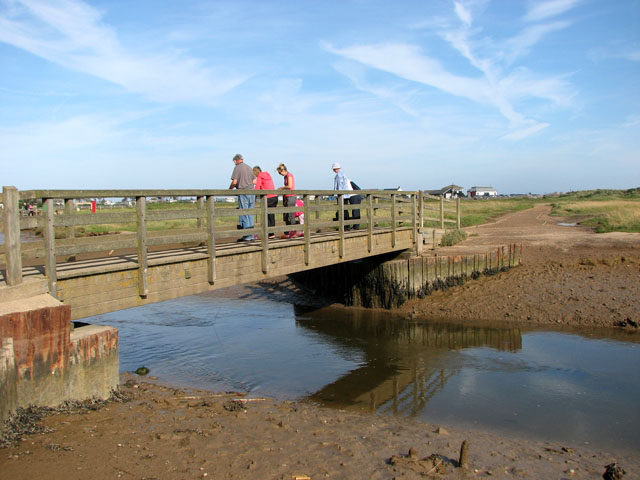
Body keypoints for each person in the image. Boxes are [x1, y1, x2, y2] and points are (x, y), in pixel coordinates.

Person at [229, 154, 255, 242]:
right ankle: (251, 235)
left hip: (243, 192)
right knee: (251, 213)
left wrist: (230, 189)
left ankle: (247, 235)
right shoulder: (249, 167)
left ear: (236, 160)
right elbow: (254, 181)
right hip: (252, 192)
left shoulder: (237, 168)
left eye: (234, 162)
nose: (234, 164)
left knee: (244, 213)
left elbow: (234, 182)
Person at [332, 162, 360, 230]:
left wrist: (339, 194)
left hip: (351, 194)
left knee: (351, 210)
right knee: (353, 210)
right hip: (350, 194)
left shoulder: (340, 175)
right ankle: (353, 226)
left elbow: (341, 186)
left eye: (335, 169)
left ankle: (349, 226)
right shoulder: (344, 175)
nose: (334, 170)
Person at [253, 166, 277, 239]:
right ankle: (271, 233)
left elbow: (257, 187)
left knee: (265, 215)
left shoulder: (260, 176)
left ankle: (268, 232)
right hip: (275, 197)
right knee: (271, 216)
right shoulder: (267, 175)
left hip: (268, 197)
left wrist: (255, 196)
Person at [276, 163, 297, 238]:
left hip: (291, 197)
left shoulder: (289, 175)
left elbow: (290, 186)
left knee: (291, 215)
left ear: (283, 170)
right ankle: (289, 231)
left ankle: (293, 231)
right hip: (287, 197)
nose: (280, 174)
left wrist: (282, 188)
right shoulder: (285, 177)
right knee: (287, 215)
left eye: (280, 172)